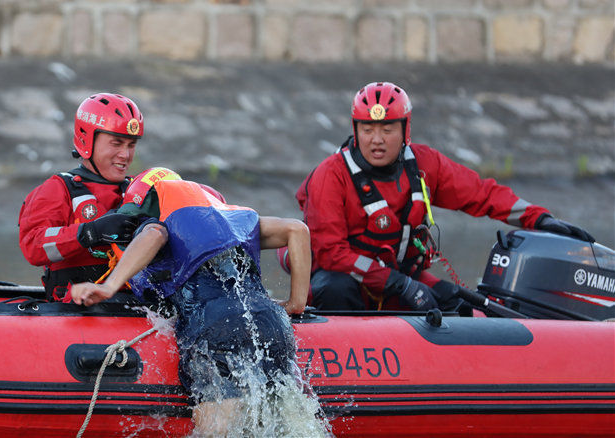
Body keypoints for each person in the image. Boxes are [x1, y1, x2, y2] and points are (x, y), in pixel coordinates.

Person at [294, 81, 595, 312]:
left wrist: (539, 219)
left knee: (460, 305)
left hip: (400, 280)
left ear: (405, 130)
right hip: (347, 282)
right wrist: (401, 285)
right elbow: (331, 254)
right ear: (356, 130)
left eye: (387, 129)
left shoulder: (424, 164)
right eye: (368, 129)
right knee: (335, 287)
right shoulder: (330, 175)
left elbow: (481, 193)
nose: (376, 140)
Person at [69, 168, 323, 437]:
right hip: (272, 323)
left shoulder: (159, 219)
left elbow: (153, 235)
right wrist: (296, 302)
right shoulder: (232, 221)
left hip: (215, 325)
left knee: (215, 430)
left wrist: (108, 286)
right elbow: (297, 229)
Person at [18, 92, 145, 300]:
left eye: (131, 145)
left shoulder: (140, 189)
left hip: (134, 304)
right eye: (116, 143)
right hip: (76, 306)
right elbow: (33, 246)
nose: (125, 155)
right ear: (88, 141)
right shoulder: (58, 189)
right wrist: (90, 232)